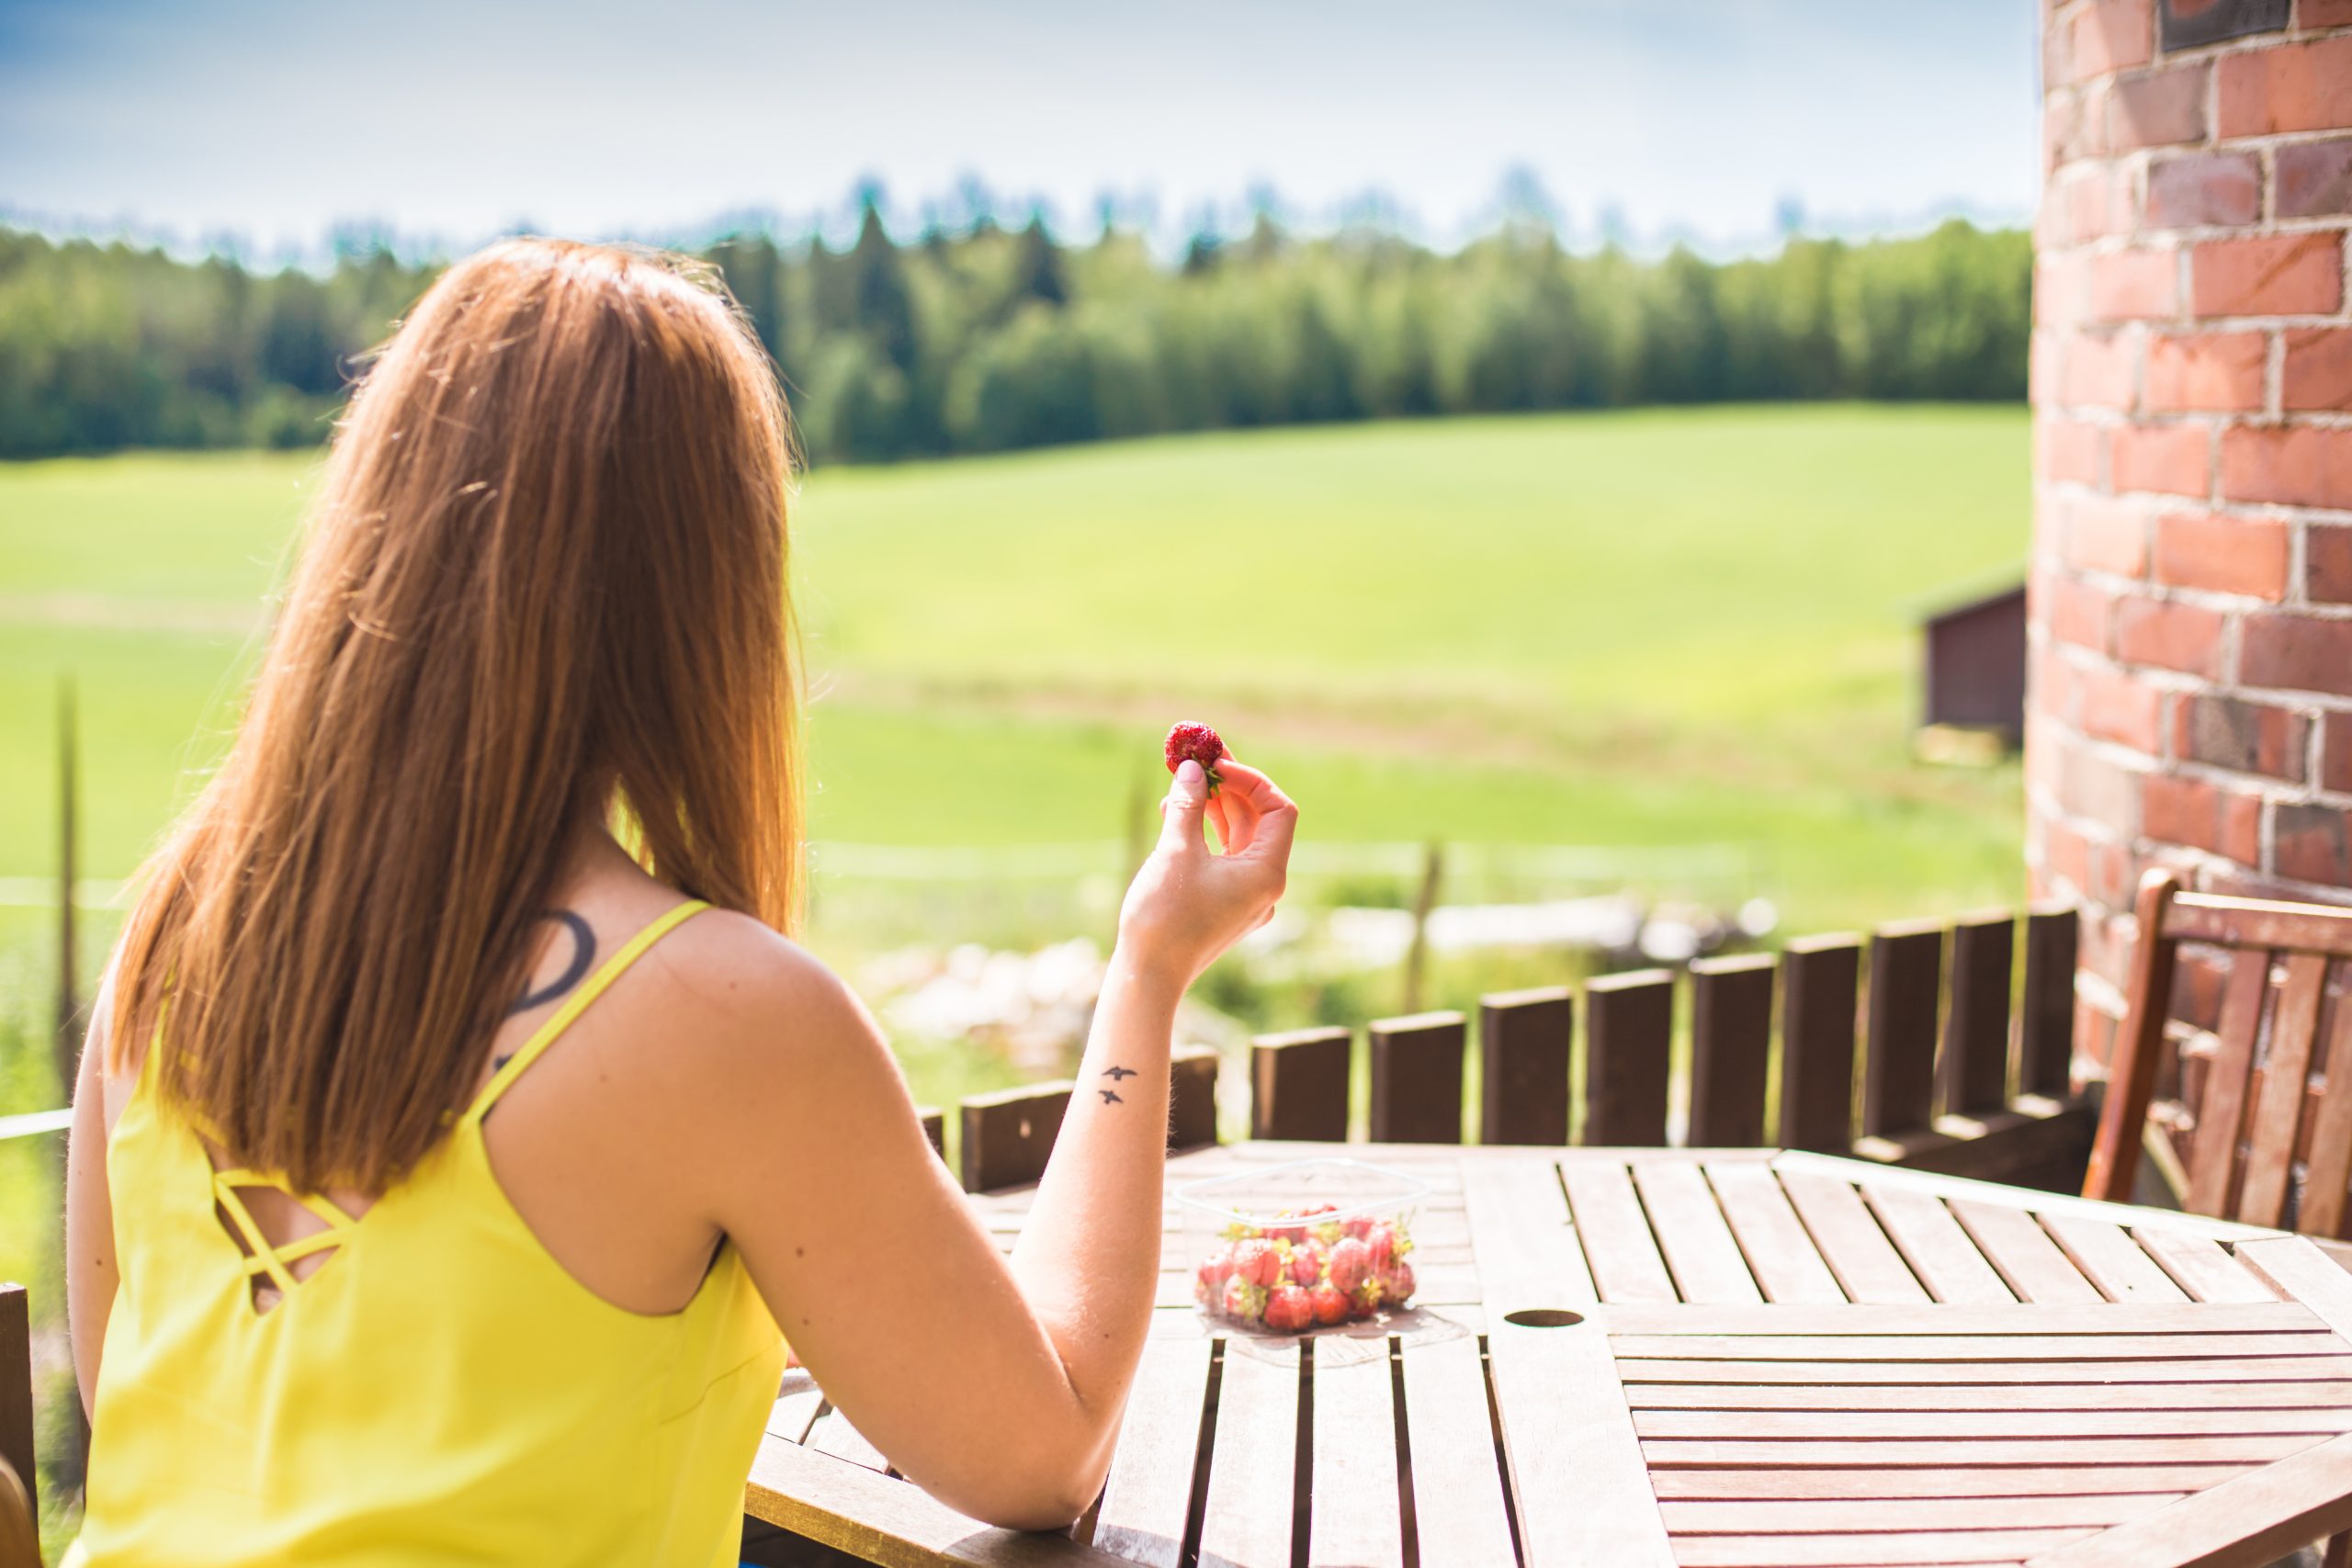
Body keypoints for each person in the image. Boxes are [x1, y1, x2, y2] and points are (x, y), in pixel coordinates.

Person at [62, 238, 1296, 1566]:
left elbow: (127, 1390)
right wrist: (1150, 966)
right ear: (702, 588)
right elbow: (1046, 1452)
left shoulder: (177, 936)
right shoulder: (718, 1010)